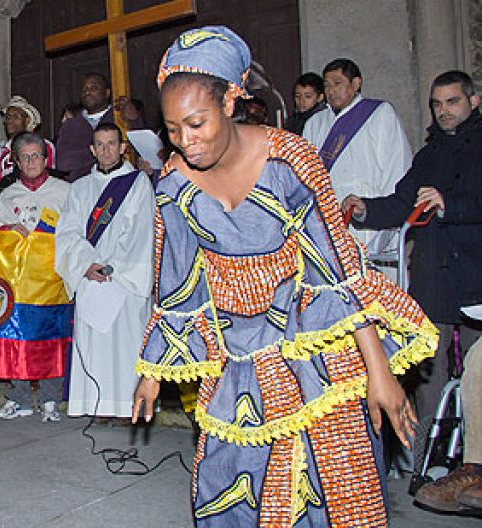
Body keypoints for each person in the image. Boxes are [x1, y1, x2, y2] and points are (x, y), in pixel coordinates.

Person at [131, 26, 437, 527]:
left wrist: (379, 372)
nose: (185, 142)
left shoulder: (290, 160)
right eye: (172, 130)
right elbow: (177, 285)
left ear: (231, 100)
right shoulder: (172, 184)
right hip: (237, 352)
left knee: (328, 482)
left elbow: (337, 271)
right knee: (228, 477)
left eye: (196, 123)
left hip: (309, 337)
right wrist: (150, 371)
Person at [340, 70, 482, 513]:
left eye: (453, 102)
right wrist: (364, 208)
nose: (444, 112)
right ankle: (423, 465)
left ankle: (473, 463)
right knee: (427, 374)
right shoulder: (429, 153)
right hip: (434, 276)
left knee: (477, 375)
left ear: (474, 102)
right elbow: (402, 201)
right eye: (437, 104)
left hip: (476, 271)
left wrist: (450, 204)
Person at [55, 123, 154, 418]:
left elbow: (141, 232)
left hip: (124, 280)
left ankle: (128, 407)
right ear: (92, 149)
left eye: (112, 143)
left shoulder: (138, 183)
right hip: (90, 277)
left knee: (126, 346)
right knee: (95, 347)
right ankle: (97, 405)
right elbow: (68, 232)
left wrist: (111, 267)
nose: (106, 150)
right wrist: (86, 265)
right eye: (100, 144)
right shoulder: (80, 187)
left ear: (123, 147)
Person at [0, 132, 70, 420]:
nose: (31, 161)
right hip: (19, 279)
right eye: (24, 156)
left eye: (35, 155)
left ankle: (51, 398)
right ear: (15, 160)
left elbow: (76, 233)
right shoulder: (7, 195)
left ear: (45, 157)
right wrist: (7, 231)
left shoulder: (65, 191)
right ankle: (20, 397)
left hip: (53, 279)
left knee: (51, 337)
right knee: (17, 337)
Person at [303, 58, 411, 260]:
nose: (331, 90)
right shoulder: (314, 123)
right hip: (328, 220)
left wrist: (388, 221)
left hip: (367, 218)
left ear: (356, 84)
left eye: (338, 83)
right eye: (327, 85)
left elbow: (396, 167)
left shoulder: (379, 114)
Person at [56, 73, 145, 182]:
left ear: (107, 93)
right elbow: (63, 163)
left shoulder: (120, 118)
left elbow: (141, 151)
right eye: (84, 90)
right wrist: (106, 152)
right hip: (84, 188)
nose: (87, 92)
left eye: (94, 88)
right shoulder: (71, 125)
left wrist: (135, 120)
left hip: (121, 183)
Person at [0, 96, 55, 200]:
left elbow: (50, 179)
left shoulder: (45, 146)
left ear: (27, 120)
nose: (9, 121)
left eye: (15, 117)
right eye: (7, 117)